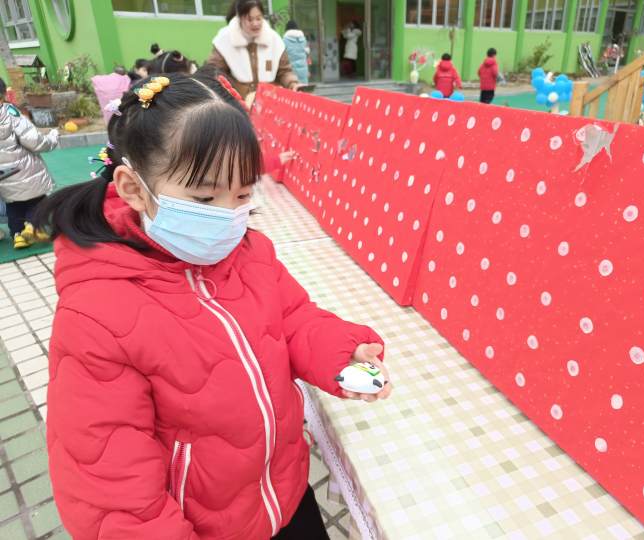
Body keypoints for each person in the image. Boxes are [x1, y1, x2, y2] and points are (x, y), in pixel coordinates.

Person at [36, 72, 391, 540]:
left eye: (243, 194)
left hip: (283, 493)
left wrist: (340, 354)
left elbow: (291, 318)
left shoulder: (249, 252)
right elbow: (110, 488)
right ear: (133, 188)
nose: (227, 216)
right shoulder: (97, 316)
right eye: (204, 197)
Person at [0, 77, 57, 249]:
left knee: (13, 206)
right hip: (24, 169)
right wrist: (52, 138)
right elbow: (33, 140)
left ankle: (17, 235)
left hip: (4, 176)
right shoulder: (9, 113)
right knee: (37, 201)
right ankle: (34, 226)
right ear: (3, 95)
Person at [206, 0, 299, 100]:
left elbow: (285, 71)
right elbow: (214, 72)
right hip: (238, 104)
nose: (255, 23)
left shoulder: (274, 40)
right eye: (249, 19)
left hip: (269, 102)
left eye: (258, 18)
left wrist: (292, 83)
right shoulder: (225, 40)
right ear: (240, 19)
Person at [283, 20, 310, 85]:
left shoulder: (284, 40)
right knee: (303, 90)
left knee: (293, 91)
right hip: (303, 70)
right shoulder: (303, 39)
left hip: (291, 71)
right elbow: (307, 52)